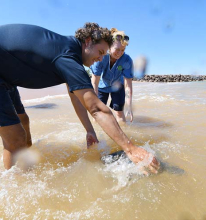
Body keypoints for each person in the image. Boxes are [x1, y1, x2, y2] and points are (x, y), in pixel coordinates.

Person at [0, 23, 159, 174]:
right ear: (88, 41)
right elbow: (96, 108)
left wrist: (89, 130)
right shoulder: (67, 57)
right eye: (100, 52)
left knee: (23, 123)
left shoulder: (67, 50)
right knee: (16, 137)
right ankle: (15, 189)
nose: (100, 58)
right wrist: (131, 148)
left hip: (7, 78)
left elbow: (76, 96)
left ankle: (22, 166)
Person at [91, 28, 133, 123]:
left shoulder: (127, 60)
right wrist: (94, 103)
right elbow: (94, 82)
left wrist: (129, 105)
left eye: (123, 50)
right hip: (102, 86)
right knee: (98, 112)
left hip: (118, 86)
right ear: (109, 47)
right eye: (117, 49)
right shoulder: (100, 56)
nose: (119, 53)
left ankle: (123, 134)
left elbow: (128, 85)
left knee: (119, 112)